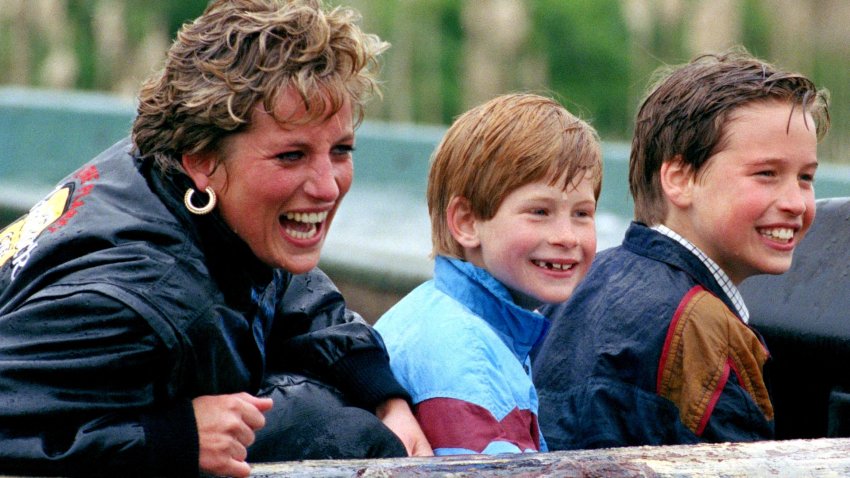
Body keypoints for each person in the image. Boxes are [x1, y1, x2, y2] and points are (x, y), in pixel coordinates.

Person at [0, 0, 432, 476]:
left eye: (341, 150)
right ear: (202, 160)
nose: (328, 186)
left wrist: (380, 391)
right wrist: (171, 437)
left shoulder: (163, 176)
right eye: (290, 156)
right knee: (344, 436)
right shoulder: (140, 301)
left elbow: (284, 285)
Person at [533, 48, 831, 450]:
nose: (796, 202)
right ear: (679, 179)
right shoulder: (705, 330)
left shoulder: (581, 283)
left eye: (806, 178)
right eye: (766, 173)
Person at [374, 93, 603, 455]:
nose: (567, 237)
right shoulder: (469, 363)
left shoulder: (440, 311)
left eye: (582, 214)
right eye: (539, 212)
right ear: (467, 222)